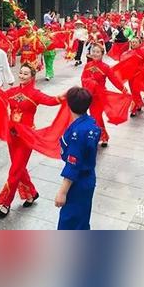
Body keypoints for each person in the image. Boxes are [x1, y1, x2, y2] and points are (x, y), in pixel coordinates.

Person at [0, 63, 63, 219]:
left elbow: (51, 101)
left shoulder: (36, 94)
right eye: (21, 73)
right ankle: (32, 193)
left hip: (26, 138)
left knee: (15, 171)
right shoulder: (12, 92)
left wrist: (66, 96)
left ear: (32, 76)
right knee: (19, 168)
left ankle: (6, 203)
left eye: (26, 74)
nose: (22, 76)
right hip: (12, 136)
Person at [55, 86, 100, 230]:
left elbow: (73, 165)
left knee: (69, 221)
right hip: (88, 178)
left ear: (69, 105)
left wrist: (62, 192)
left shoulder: (78, 133)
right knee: (82, 218)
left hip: (78, 181)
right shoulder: (90, 123)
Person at [81, 43, 128, 147]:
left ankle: (103, 136)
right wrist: (87, 86)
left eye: (98, 52)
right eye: (93, 51)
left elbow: (114, 80)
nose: (95, 53)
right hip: (90, 96)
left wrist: (123, 90)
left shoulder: (105, 67)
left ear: (102, 54)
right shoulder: (88, 65)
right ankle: (99, 136)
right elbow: (83, 78)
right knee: (93, 117)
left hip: (100, 96)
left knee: (96, 116)